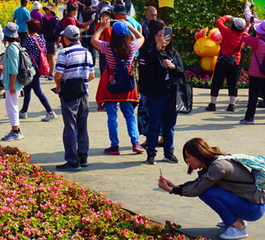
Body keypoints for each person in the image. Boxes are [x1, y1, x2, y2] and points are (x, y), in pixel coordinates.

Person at [157, 138, 265, 240]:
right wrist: (175, 187)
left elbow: (198, 189)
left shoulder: (218, 167)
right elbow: (199, 182)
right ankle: (235, 219)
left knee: (207, 193)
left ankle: (239, 228)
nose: (187, 160)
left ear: (198, 154)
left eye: (189, 156)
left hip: (253, 209)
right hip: (250, 203)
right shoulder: (213, 162)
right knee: (207, 190)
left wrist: (171, 190)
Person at [92, 19, 145, 156]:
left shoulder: (107, 47)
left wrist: (102, 28)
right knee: (129, 115)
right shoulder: (132, 46)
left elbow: (93, 40)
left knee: (111, 116)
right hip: (126, 85)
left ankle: (114, 145)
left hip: (111, 84)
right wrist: (129, 27)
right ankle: (135, 143)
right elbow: (142, 37)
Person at [138, 19, 183, 165]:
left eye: (166, 35)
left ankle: (169, 152)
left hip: (171, 94)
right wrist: (157, 48)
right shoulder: (148, 50)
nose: (163, 38)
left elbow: (181, 72)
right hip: (155, 94)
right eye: (159, 35)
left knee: (169, 125)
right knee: (154, 125)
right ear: (153, 35)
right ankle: (151, 153)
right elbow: (146, 66)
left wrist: (172, 67)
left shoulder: (173, 52)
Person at [53, 24, 96, 171]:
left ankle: (72, 160)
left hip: (69, 94)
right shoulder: (86, 53)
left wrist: (59, 86)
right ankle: (83, 156)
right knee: (82, 125)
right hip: (84, 93)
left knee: (70, 126)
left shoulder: (64, 54)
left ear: (65, 38)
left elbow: (58, 76)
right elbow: (92, 75)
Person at [240, 20, 265, 125]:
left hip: (256, 73)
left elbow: (244, 38)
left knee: (253, 96)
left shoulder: (256, 41)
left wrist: (247, 27)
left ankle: (249, 118)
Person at [206, 15, 247, 112]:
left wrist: (227, 17)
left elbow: (218, 21)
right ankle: (232, 105)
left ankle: (212, 104)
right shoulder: (244, 36)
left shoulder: (227, 32)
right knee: (233, 83)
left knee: (217, 81)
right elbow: (247, 28)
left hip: (223, 60)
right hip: (235, 61)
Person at [20, 19, 57, 122]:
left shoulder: (29, 39)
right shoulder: (41, 38)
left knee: (37, 91)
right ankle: (23, 111)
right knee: (27, 90)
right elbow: (44, 51)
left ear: (29, 28)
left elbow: (24, 52)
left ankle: (50, 112)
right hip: (39, 66)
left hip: (31, 68)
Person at [0, 22, 24, 141]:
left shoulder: (11, 48)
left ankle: (15, 131)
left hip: (13, 82)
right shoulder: (17, 45)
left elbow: (13, 69)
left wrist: (11, 85)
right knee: (13, 105)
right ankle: (16, 129)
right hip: (15, 82)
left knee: (12, 106)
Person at [40, 4, 60, 80]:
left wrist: (58, 41)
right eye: (45, 10)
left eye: (47, 10)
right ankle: (48, 72)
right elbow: (42, 29)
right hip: (45, 39)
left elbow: (58, 31)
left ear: (51, 10)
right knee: (47, 56)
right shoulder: (44, 19)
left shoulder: (55, 19)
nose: (45, 11)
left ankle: (52, 73)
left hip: (52, 39)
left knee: (51, 56)